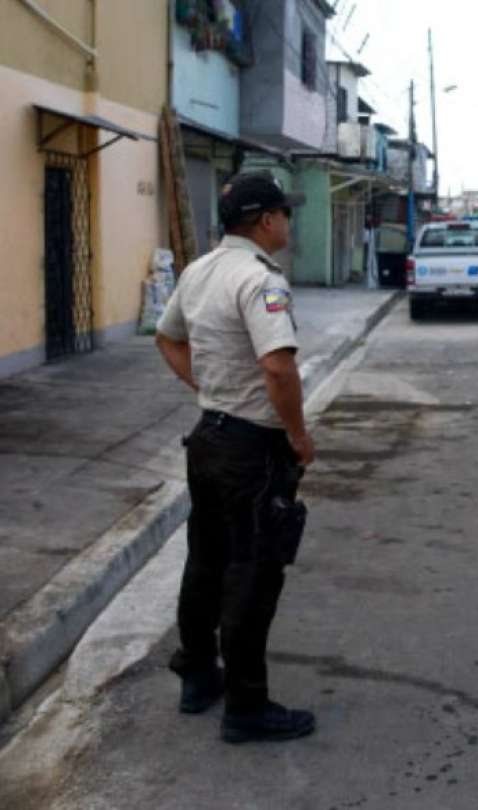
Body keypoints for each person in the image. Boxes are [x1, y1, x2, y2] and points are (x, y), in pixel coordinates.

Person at [155, 171, 317, 744]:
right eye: (285, 214)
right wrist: (298, 435)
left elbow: (166, 336)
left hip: (209, 439)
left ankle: (198, 676)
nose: (288, 224)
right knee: (252, 574)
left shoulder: (198, 271)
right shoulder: (259, 280)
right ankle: (246, 706)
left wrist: (207, 387)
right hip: (252, 448)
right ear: (266, 220)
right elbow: (277, 366)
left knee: (205, 563)